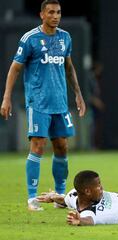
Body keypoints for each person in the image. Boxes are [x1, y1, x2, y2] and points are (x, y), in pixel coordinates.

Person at [0, 0, 86, 211]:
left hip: (60, 103)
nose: (55, 16)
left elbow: (69, 67)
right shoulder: (30, 39)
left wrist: (78, 94)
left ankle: (59, 195)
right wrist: (6, 97)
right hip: (38, 103)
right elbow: (15, 69)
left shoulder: (65, 37)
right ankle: (32, 198)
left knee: (62, 147)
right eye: (51, 12)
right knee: (38, 145)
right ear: (42, 15)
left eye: (58, 12)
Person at [88, 61, 105, 150]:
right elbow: (87, 94)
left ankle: (93, 145)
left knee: (94, 126)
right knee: (91, 126)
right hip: (88, 107)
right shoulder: (89, 79)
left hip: (94, 108)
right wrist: (96, 101)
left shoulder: (94, 79)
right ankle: (90, 146)